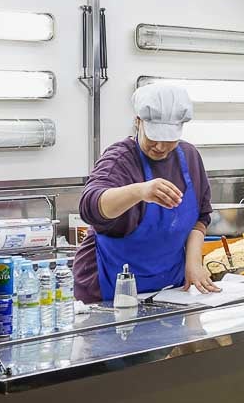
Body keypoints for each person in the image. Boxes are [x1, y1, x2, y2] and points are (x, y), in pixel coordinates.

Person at [75, 83, 219, 304]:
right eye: (154, 136)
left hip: (169, 290)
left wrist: (193, 263)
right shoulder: (119, 159)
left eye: (169, 138)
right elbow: (90, 206)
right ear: (138, 122)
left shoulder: (189, 157)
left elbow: (201, 216)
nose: (160, 146)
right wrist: (140, 191)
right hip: (109, 291)